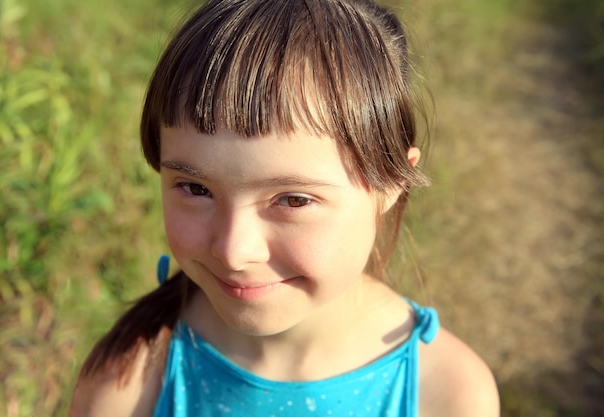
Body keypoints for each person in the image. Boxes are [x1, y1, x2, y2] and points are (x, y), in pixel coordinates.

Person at [69, 0, 500, 416]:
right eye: (195, 188)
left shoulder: (449, 395)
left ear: (391, 182)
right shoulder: (128, 383)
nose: (234, 251)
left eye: (293, 199)